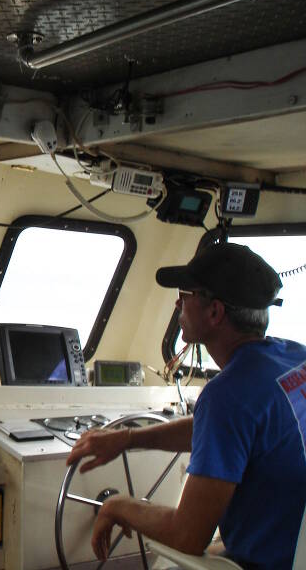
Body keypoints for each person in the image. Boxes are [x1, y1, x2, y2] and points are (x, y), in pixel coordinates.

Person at [66, 242, 306, 569]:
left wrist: (117, 506)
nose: (178, 301)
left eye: (186, 293)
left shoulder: (229, 395)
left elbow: (187, 537)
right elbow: (226, 431)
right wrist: (128, 439)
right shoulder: (293, 357)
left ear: (215, 312)